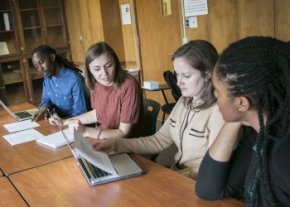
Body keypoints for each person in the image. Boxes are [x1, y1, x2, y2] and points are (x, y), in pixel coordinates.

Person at [93, 40, 224, 179]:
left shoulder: (219, 112)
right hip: (177, 174)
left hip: (193, 182)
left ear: (208, 74)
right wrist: (115, 144)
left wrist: (163, 177)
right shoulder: (184, 101)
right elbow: (159, 140)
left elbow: (211, 172)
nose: (179, 83)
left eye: (186, 76)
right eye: (177, 75)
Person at [195, 37, 290, 207]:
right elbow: (208, 189)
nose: (215, 97)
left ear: (242, 102)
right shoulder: (258, 133)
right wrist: (236, 119)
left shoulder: (284, 154)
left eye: (217, 91)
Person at [52, 41, 143, 139]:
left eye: (109, 66)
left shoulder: (129, 84)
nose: (104, 73)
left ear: (115, 63)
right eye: (97, 69)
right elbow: (98, 113)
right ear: (89, 70)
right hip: (103, 137)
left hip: (124, 144)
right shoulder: (97, 85)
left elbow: (123, 133)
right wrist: (65, 121)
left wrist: (87, 131)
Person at [31, 45, 88, 121]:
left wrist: (63, 121)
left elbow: (80, 112)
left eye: (41, 62)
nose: (40, 69)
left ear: (52, 57)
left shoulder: (74, 79)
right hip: (57, 122)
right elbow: (46, 98)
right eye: (37, 66)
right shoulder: (47, 78)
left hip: (74, 124)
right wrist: (44, 108)